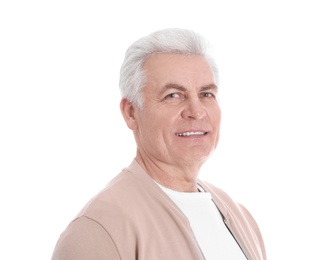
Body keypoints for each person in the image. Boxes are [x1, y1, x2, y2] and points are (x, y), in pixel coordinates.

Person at [51, 28, 266, 260]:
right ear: (131, 112)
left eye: (206, 94)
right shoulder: (98, 230)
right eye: (173, 95)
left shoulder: (241, 218)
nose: (196, 111)